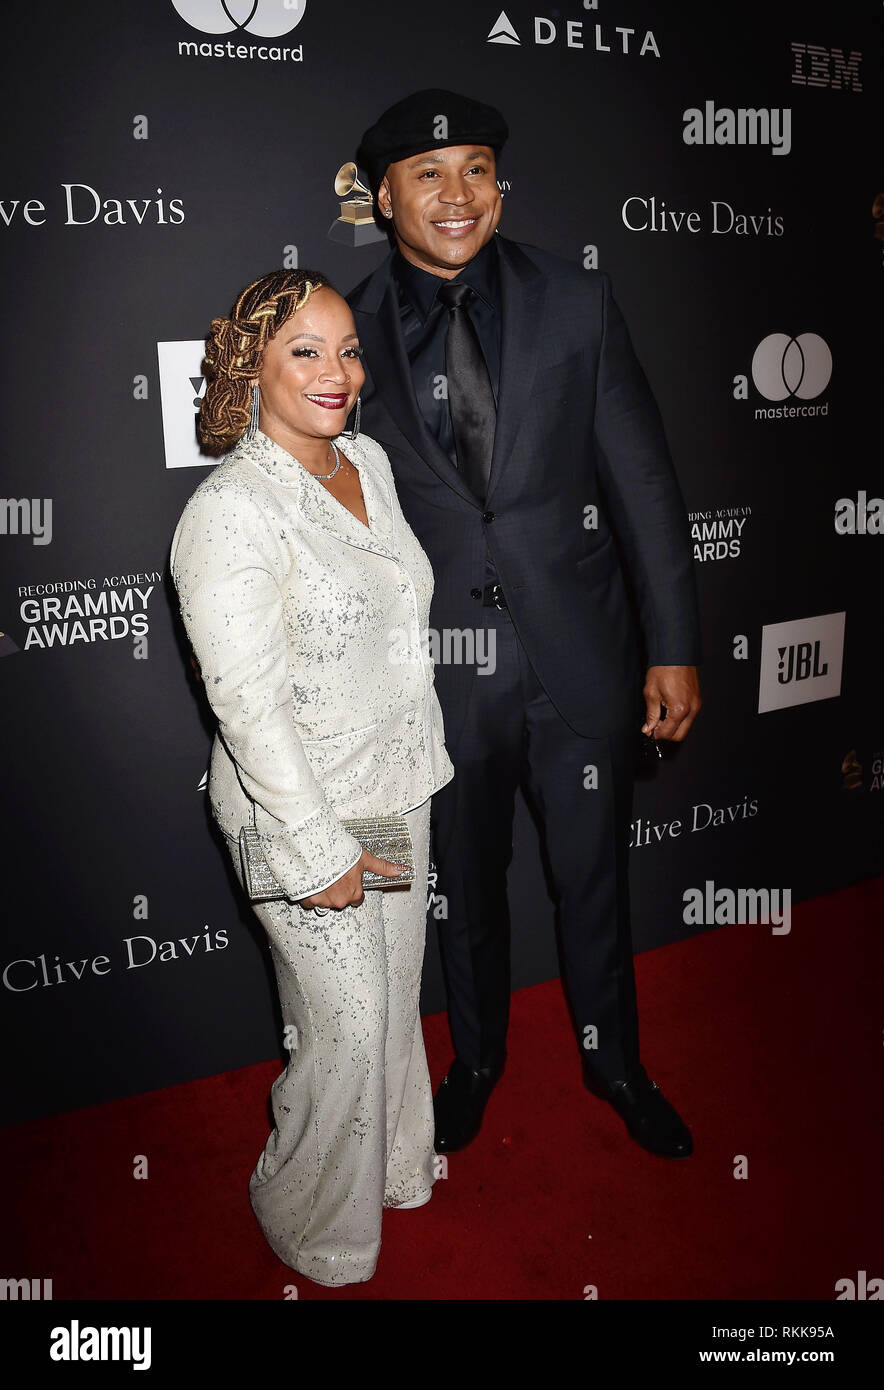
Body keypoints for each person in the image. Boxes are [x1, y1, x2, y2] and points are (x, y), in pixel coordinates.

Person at [347, 90, 703, 1159]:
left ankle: (615, 1064)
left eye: (476, 169)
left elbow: (643, 482)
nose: (457, 194)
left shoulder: (576, 300)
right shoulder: (341, 331)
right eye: (428, 173)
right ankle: (477, 1063)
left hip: (577, 657)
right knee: (462, 889)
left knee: (594, 877)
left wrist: (674, 644)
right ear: (381, 197)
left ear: (498, 186)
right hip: (435, 675)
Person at [170, 268, 454, 1286]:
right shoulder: (230, 513)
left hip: (394, 782)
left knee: (387, 1000)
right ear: (254, 365)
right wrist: (320, 844)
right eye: (305, 351)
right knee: (342, 1024)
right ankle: (307, 1216)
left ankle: (387, 1166)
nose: (336, 373)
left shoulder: (366, 459)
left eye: (347, 349)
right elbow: (246, 706)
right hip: (298, 809)